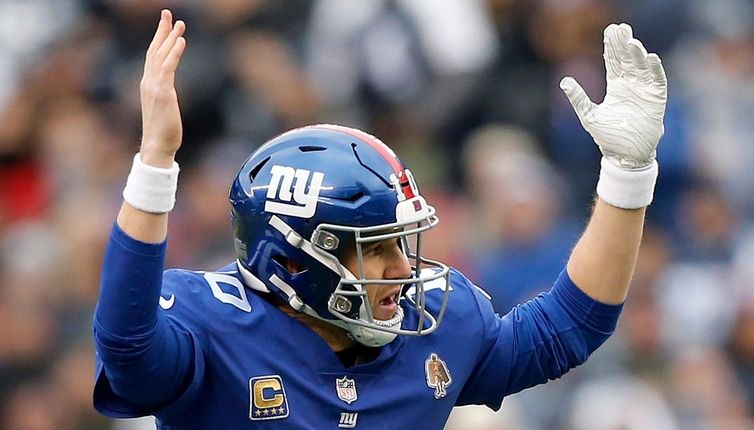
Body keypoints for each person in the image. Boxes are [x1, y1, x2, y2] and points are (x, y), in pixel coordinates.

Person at [92, 9, 667, 429]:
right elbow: (127, 348)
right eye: (375, 248)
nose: (403, 270)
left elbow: (570, 328)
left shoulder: (437, 325)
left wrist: (626, 176)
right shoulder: (210, 326)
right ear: (294, 258)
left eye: (402, 242)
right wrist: (155, 165)